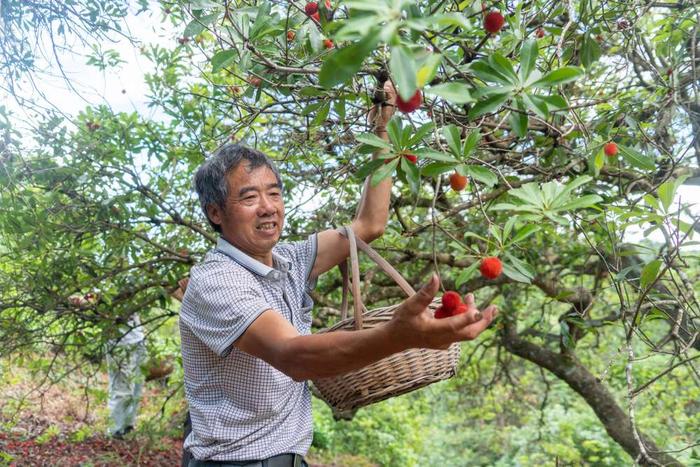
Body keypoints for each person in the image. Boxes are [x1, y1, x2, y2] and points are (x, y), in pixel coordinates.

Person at [179, 81, 498, 466]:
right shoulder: (218, 280)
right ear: (216, 213)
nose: (268, 208)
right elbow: (293, 356)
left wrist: (383, 132)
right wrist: (398, 336)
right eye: (249, 197)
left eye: (275, 193)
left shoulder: (290, 260)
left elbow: (368, 224)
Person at [105, 312, 147, 439]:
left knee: (137, 388)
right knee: (121, 389)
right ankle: (114, 432)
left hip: (138, 337)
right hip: (119, 341)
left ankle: (127, 427)